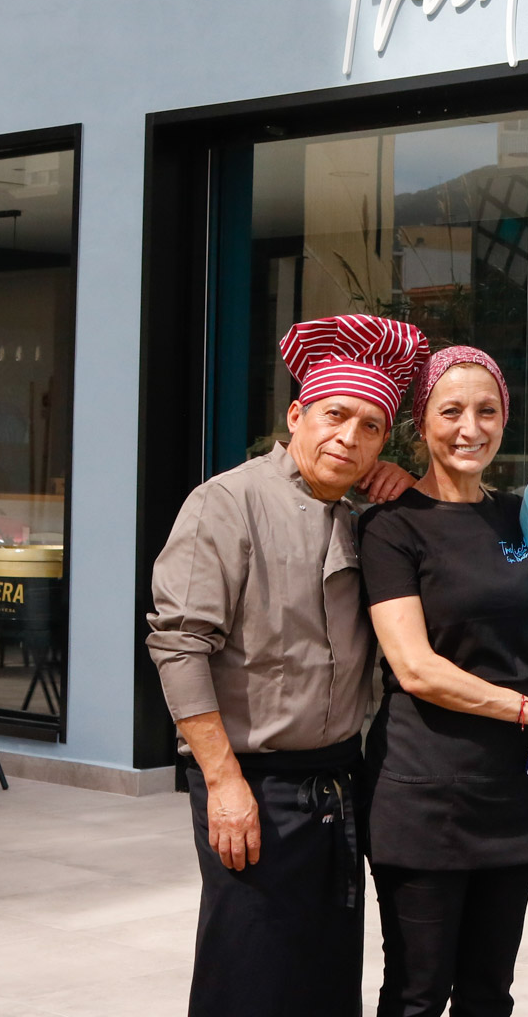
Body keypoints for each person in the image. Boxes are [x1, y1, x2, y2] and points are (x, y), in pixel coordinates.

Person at [148, 313, 428, 1017]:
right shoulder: (226, 503)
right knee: (248, 971)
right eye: (336, 415)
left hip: (340, 781)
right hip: (253, 783)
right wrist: (223, 783)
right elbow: (180, 646)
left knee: (325, 977)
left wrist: (403, 485)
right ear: (297, 413)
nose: (350, 438)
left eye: (371, 428)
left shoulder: (368, 513)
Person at [359, 345, 528, 1017]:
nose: (471, 428)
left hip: (511, 795)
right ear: (422, 422)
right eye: (452, 411)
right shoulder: (391, 524)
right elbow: (415, 668)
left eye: (487, 411)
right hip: (424, 795)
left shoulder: (519, 512)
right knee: (417, 991)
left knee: (490, 992)